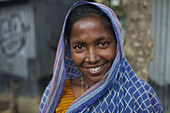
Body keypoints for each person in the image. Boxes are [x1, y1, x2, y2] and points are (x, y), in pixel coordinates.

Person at [39, 1, 163, 113]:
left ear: (117, 44)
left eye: (102, 44)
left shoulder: (140, 95)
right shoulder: (56, 93)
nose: (92, 58)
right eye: (79, 47)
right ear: (68, 49)